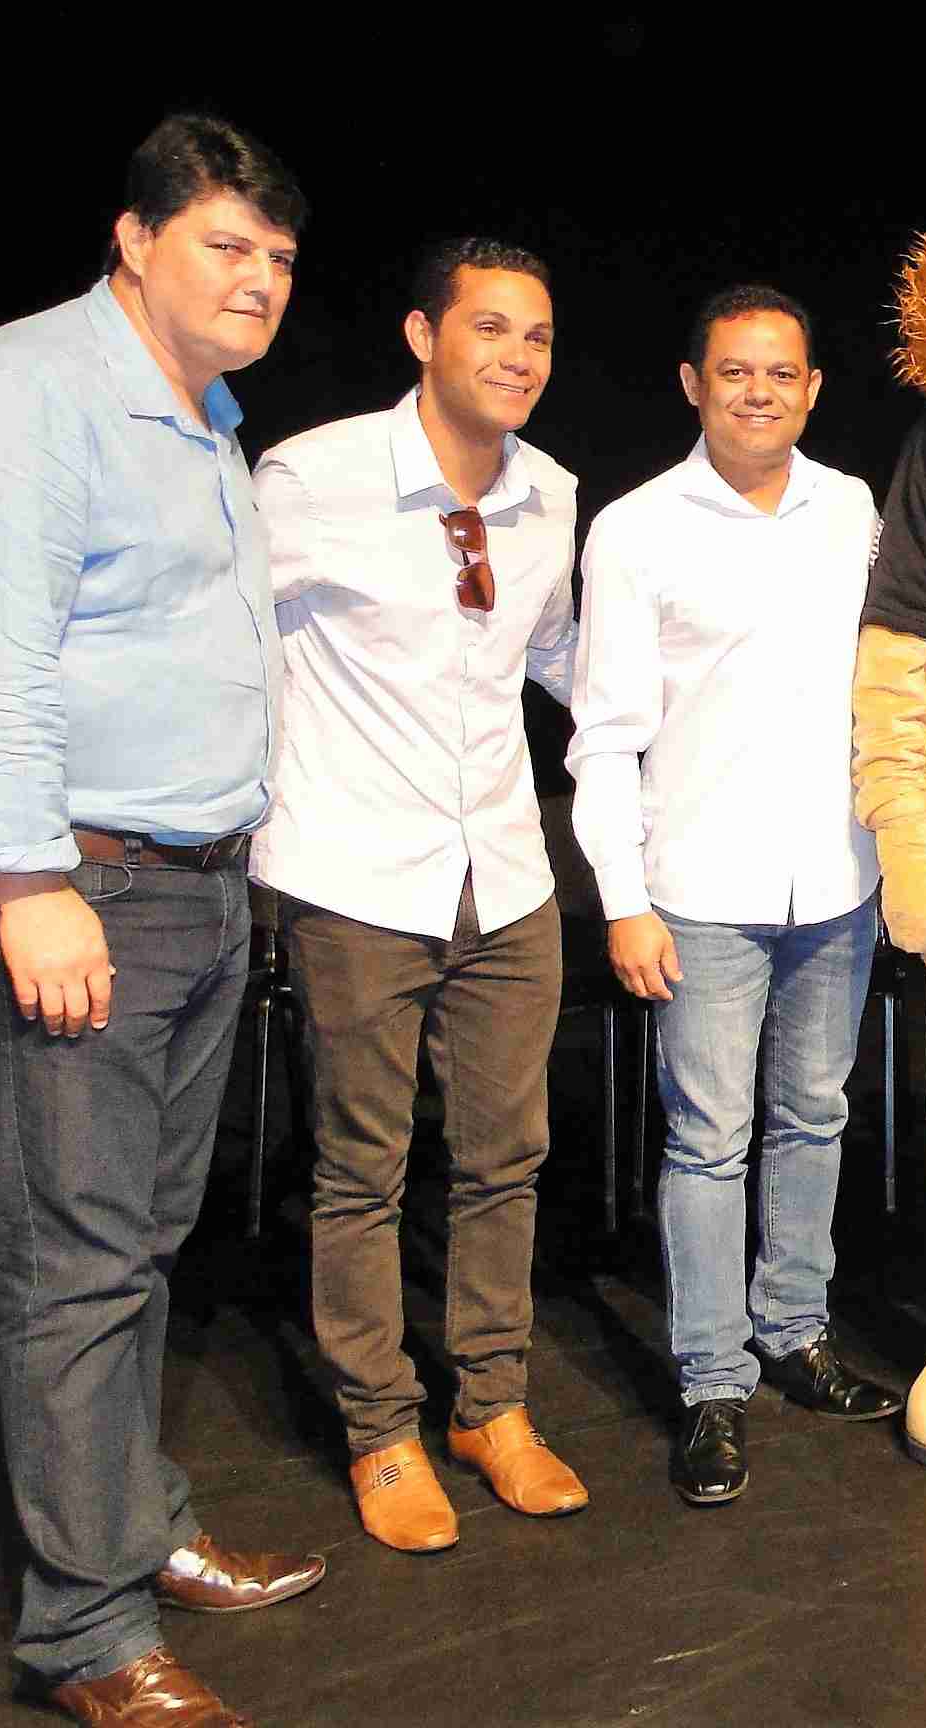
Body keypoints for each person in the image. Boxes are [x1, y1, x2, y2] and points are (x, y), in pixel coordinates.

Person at [0, 113, 322, 1724]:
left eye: (281, 259)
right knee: (70, 1264)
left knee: (138, 1248)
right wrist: (29, 887)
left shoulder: (199, 417)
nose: (261, 279)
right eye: (226, 244)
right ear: (133, 241)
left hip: (187, 891)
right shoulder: (23, 396)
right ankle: (85, 1631)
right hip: (76, 891)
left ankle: (135, 1531)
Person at [253, 238, 587, 1553]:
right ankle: (380, 1425)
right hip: (352, 872)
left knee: (508, 1155)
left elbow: (563, 657)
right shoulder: (313, 478)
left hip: (501, 869)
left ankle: (488, 1403)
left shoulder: (553, 493)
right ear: (421, 335)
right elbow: (230, 640)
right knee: (362, 1164)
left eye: (540, 337)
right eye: (491, 329)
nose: (517, 357)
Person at [568, 285, 902, 1505]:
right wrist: (621, 898)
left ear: (813, 388)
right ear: (692, 383)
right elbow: (602, 735)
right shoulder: (636, 528)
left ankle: (794, 1332)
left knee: (815, 1115)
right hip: (697, 888)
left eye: (782, 373)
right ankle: (713, 1383)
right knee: (707, 1142)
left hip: (838, 881)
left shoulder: (853, 509)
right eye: (735, 372)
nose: (759, 391)